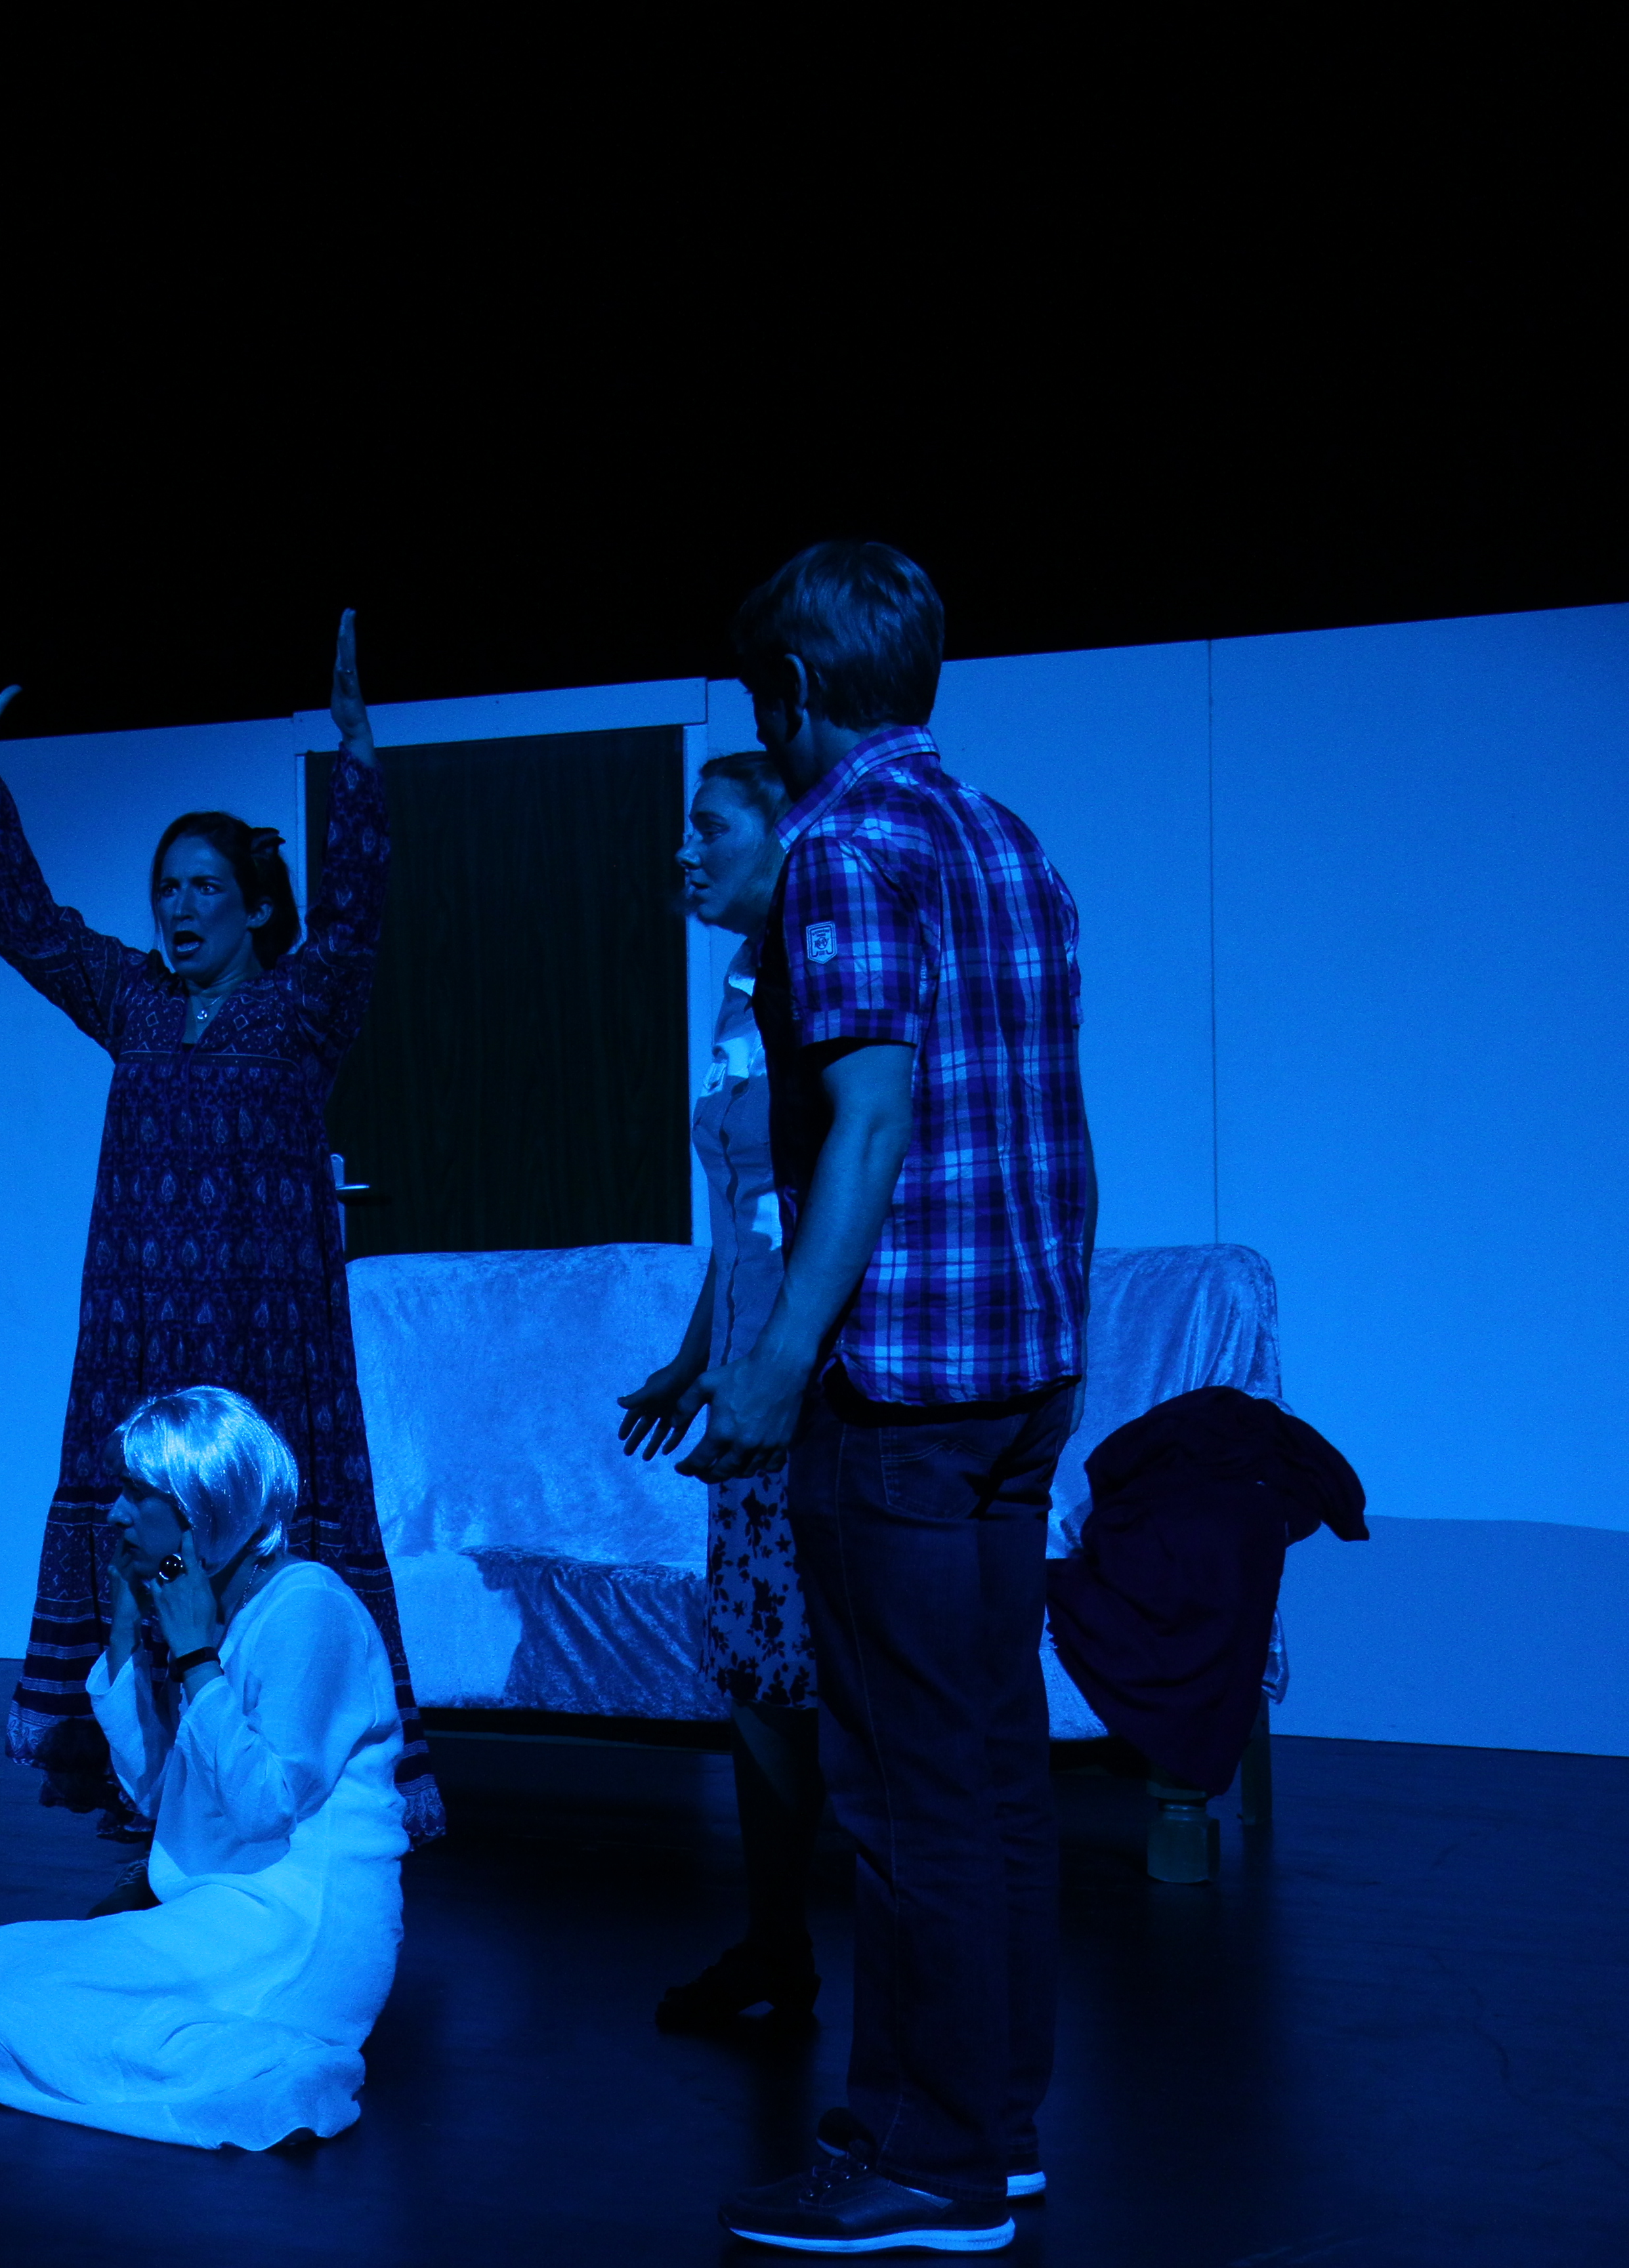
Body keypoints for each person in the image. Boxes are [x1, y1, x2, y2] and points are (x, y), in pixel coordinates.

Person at [685, 543, 1094, 2256]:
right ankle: (992, 2130)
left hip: (905, 1389)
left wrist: (776, 1369)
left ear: (790, 693)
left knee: (908, 1789)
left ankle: (929, 2161)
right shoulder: (1008, 838)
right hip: (1020, 1375)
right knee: (990, 1773)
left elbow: (871, 1119)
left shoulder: (841, 847)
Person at [0, 616, 440, 1848]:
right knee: (144, 1534)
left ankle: (282, 1760)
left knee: (256, 1530)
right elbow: (29, 925)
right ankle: (148, 1788)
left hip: (263, 1337)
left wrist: (358, 759)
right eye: (166, 889)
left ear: (254, 907)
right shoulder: (134, 1001)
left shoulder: (304, 1003)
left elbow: (356, 912)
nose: (179, 907)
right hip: (144, 1331)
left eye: (205, 888)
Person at [0, 1386, 406, 2150]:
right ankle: (225, 2057)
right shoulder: (216, 1609)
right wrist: (128, 1626)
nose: (116, 1515)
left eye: (138, 1494)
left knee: (6, 2004)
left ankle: (278, 2074)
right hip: (215, 1909)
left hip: (293, 1927)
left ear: (201, 1510)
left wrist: (196, 1658)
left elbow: (264, 1807)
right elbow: (160, 1798)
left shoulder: (308, 1606)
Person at [616, 749, 828, 2030]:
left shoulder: (824, 975)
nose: (685, 852)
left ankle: (894, 1983)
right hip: (743, 1380)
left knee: (825, 1671)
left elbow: (844, 1195)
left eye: (710, 828)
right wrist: (694, 1358)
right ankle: (775, 1946)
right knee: (756, 1672)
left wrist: (775, 1366)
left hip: (812, 1383)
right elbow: (739, 1217)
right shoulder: (739, 984)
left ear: (781, 833)